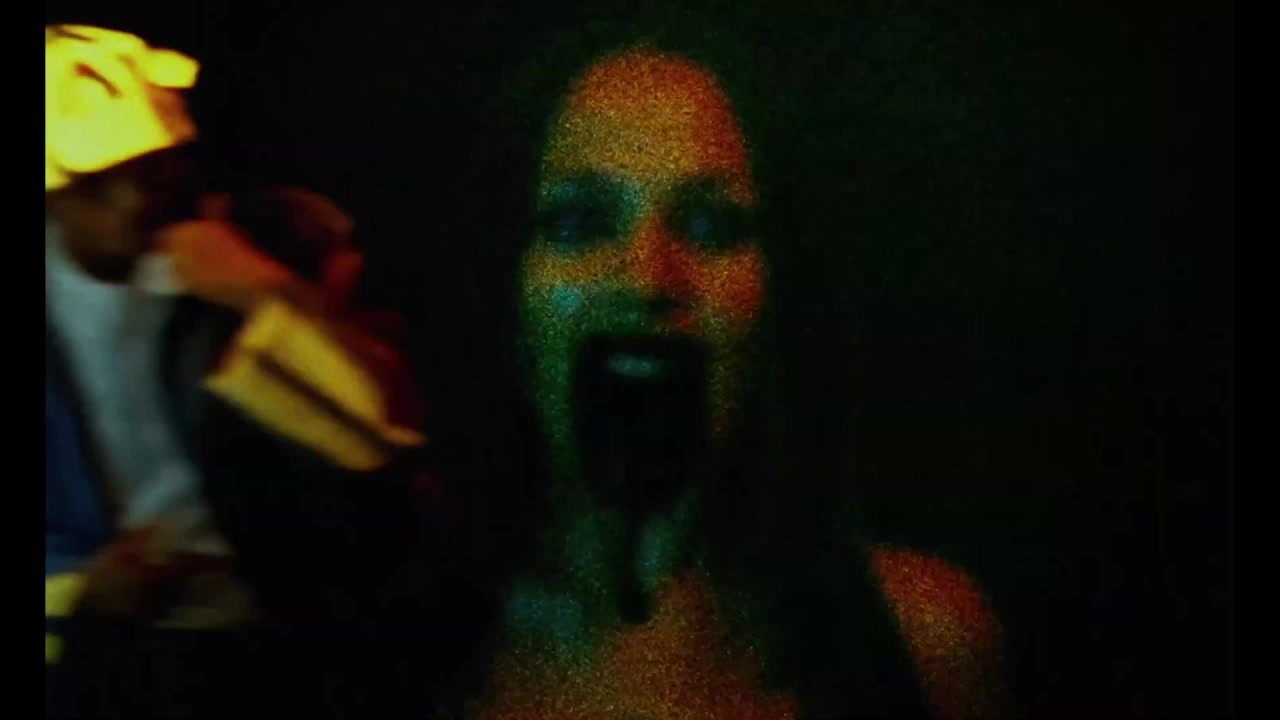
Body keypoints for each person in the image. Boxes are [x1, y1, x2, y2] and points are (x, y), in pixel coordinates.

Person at [434, 14, 1014, 719]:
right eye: (581, 222)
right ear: (506, 286)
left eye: (710, 226)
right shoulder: (393, 646)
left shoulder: (924, 642)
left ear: (777, 294)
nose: (647, 278)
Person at [44, 24, 445, 717]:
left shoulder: (254, 246)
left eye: (149, 169)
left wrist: (266, 293)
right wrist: (83, 594)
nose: (134, 200)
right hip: (100, 655)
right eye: (97, 185)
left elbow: (386, 443)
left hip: (275, 636)